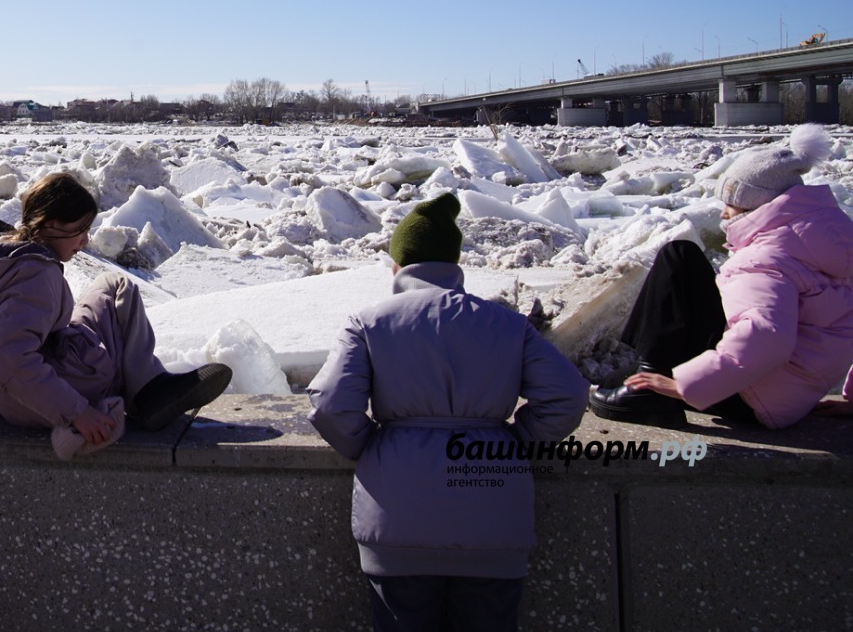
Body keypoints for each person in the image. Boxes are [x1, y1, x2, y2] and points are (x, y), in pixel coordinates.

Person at [307, 192, 588, 632]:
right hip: (493, 521)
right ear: (453, 264)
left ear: (398, 265)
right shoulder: (507, 324)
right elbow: (568, 395)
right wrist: (514, 443)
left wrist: (373, 447)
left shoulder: (368, 322)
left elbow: (329, 403)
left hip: (397, 521)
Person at [0, 171, 232, 453]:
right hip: (51, 395)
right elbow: (2, 357)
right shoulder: (37, 275)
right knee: (119, 289)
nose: (84, 242)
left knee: (107, 286)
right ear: (51, 223)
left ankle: (146, 384)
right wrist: (77, 412)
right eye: (79, 230)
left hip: (7, 396)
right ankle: (150, 389)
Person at [590, 124, 853, 429]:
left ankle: (650, 394)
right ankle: (641, 370)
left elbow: (767, 336)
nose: (723, 214)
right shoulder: (832, 243)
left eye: (730, 203)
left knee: (679, 258)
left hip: (747, 396)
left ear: (757, 205)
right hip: (784, 394)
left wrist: (683, 386)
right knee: (695, 274)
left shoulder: (768, 256)